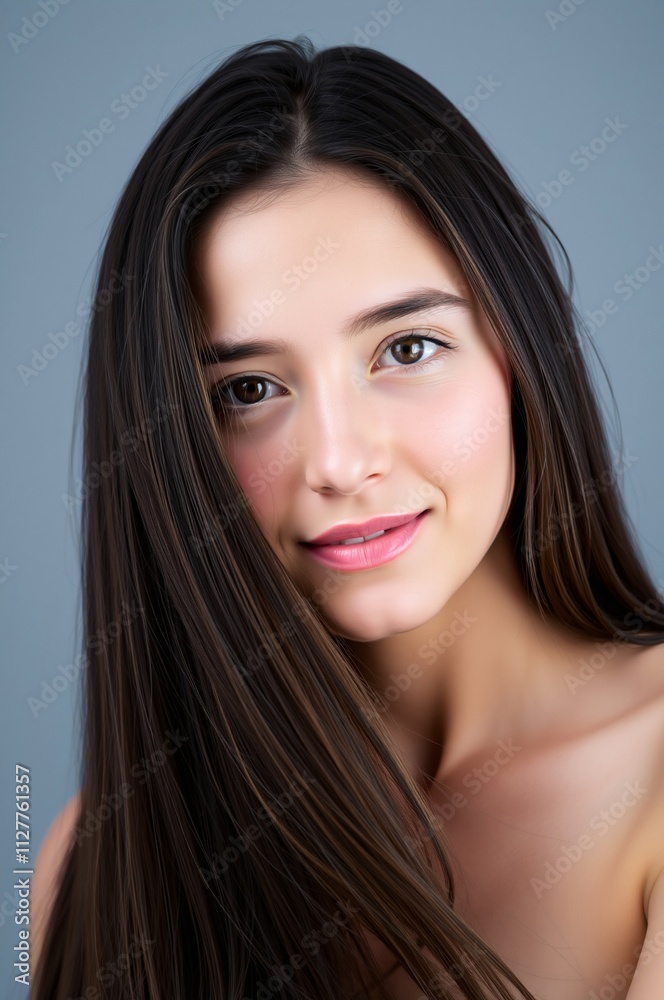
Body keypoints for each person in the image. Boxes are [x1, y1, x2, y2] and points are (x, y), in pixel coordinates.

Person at [30, 36, 664, 1000]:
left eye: (407, 348)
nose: (337, 461)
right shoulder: (93, 860)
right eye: (248, 389)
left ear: (519, 347)